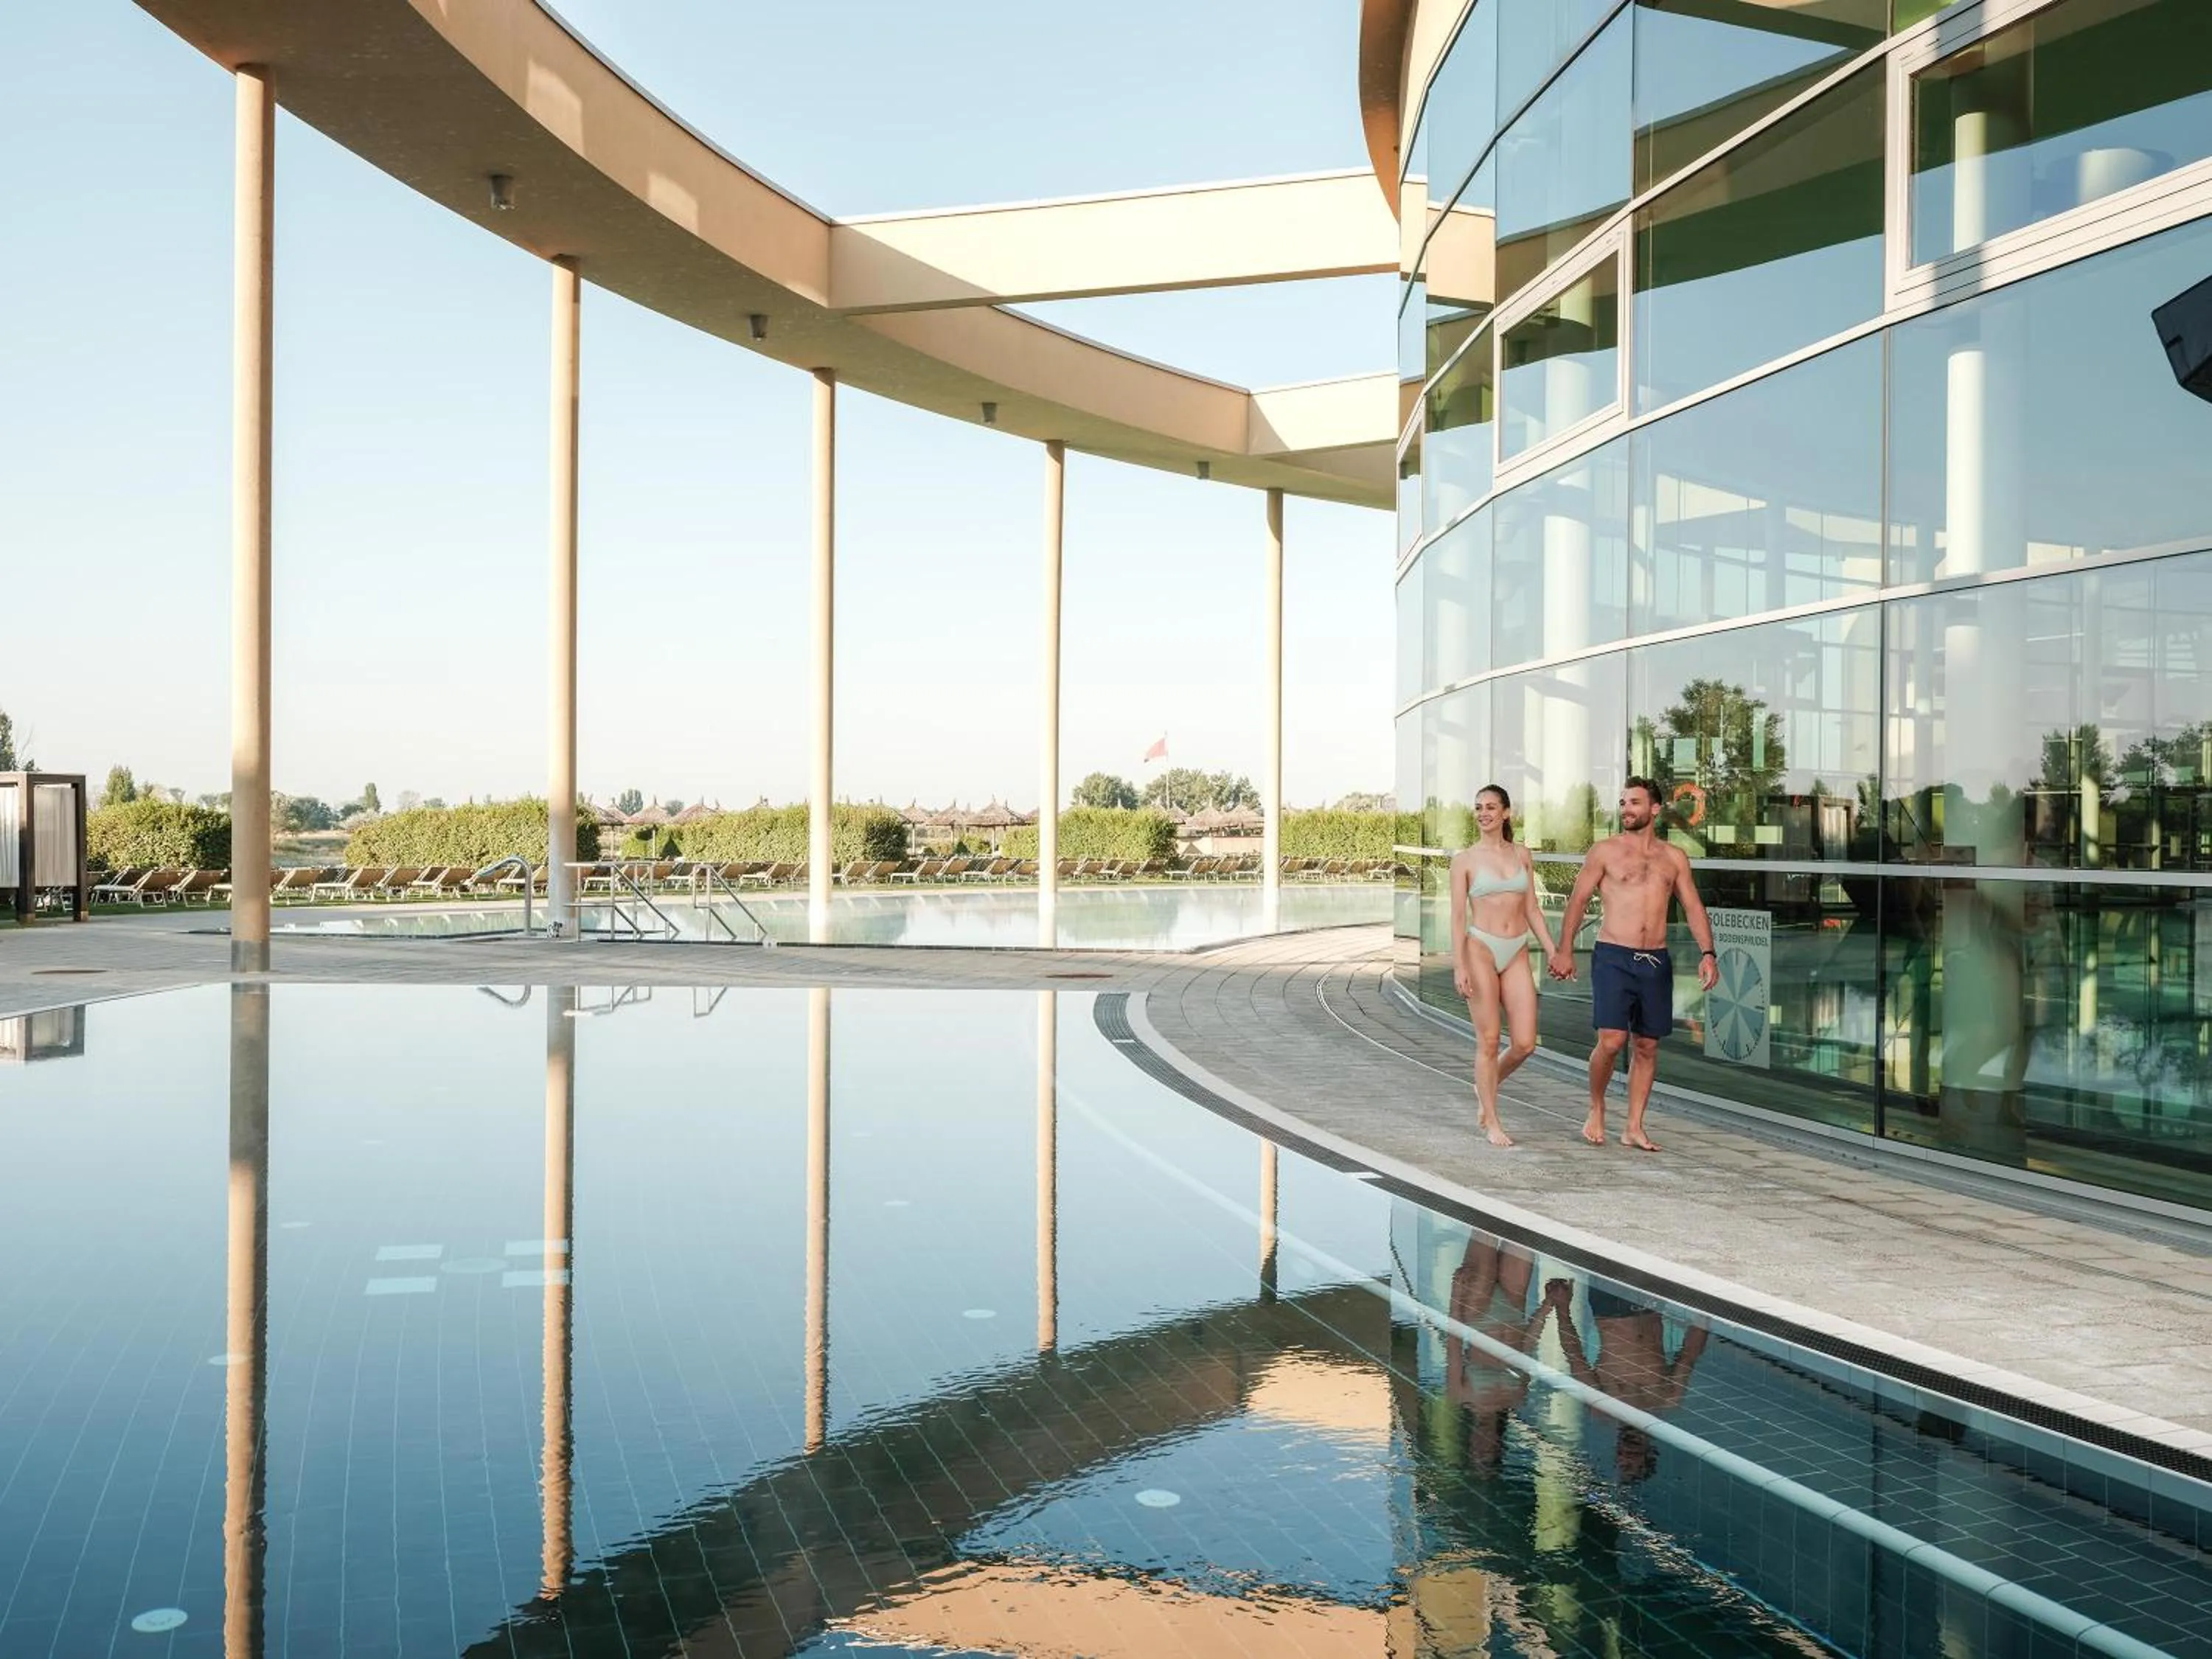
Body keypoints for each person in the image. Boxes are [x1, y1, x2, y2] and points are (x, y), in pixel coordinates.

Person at [1547, 777, 1717, 1152]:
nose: (1626, 809)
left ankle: (1634, 1127)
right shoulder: (1605, 852)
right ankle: (1596, 1105)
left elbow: (1692, 906)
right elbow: (1577, 901)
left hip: (1655, 959)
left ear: (1655, 809)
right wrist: (1564, 950)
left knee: (1647, 1046)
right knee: (1611, 1040)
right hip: (1613, 956)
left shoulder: (1674, 858)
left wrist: (1708, 953)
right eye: (1623, 803)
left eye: (1635, 803)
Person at [1449, 785, 1563, 1147]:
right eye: (1479, 807)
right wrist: (1459, 966)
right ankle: (1492, 1120)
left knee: (1526, 1043)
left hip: (1516, 950)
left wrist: (1555, 952)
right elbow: (1456, 918)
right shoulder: (1464, 860)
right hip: (1480, 947)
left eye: (1491, 807)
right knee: (1488, 1040)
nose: (1484, 813)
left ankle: (1485, 1085)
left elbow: (1531, 910)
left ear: (1506, 813)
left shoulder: (1522, 855)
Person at [1540, 1276, 1709, 1484]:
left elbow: (1575, 1357)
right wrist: (1705, 1310)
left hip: (1609, 1308)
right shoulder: (1668, 1398)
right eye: (1630, 1463)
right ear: (1650, 1454)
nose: (1624, 1456)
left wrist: (1563, 1308)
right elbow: (1689, 1354)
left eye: (1620, 1461)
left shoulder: (1602, 1408)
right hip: (1650, 1306)